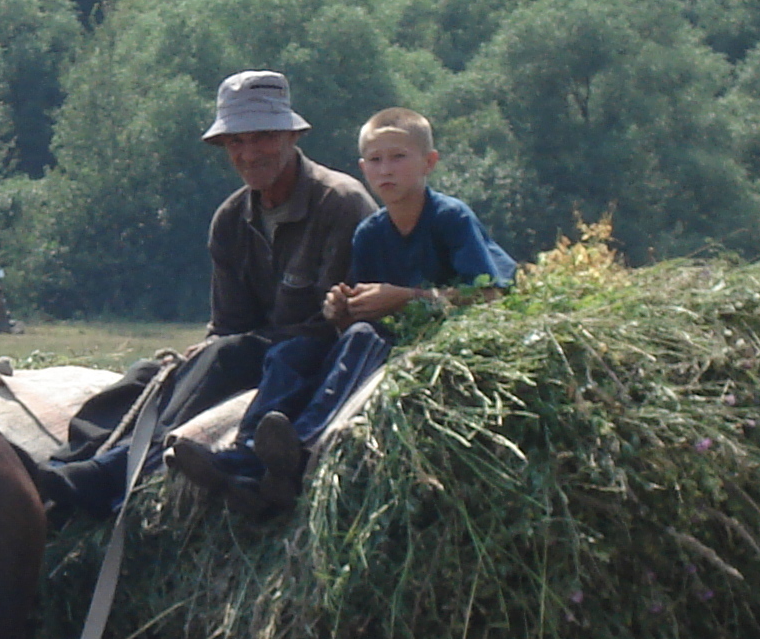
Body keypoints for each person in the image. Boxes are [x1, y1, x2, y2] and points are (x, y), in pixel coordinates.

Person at [34, 70, 372, 518]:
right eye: (237, 142)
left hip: (312, 354)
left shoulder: (339, 202)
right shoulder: (231, 219)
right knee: (146, 376)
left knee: (227, 356)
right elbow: (229, 321)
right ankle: (66, 465)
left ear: (292, 135)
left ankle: (115, 473)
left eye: (263, 137)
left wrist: (228, 347)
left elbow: (336, 321)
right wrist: (204, 351)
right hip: (250, 347)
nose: (249, 153)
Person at [173, 105, 513, 510]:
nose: (386, 170)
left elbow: (492, 295)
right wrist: (341, 307)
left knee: (364, 339)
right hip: (373, 333)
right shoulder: (370, 233)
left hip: (421, 339)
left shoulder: (451, 218)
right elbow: (357, 307)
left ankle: (300, 445)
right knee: (291, 352)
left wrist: (406, 297)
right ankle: (245, 451)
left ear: (429, 163)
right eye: (375, 160)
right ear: (363, 169)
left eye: (399, 158)